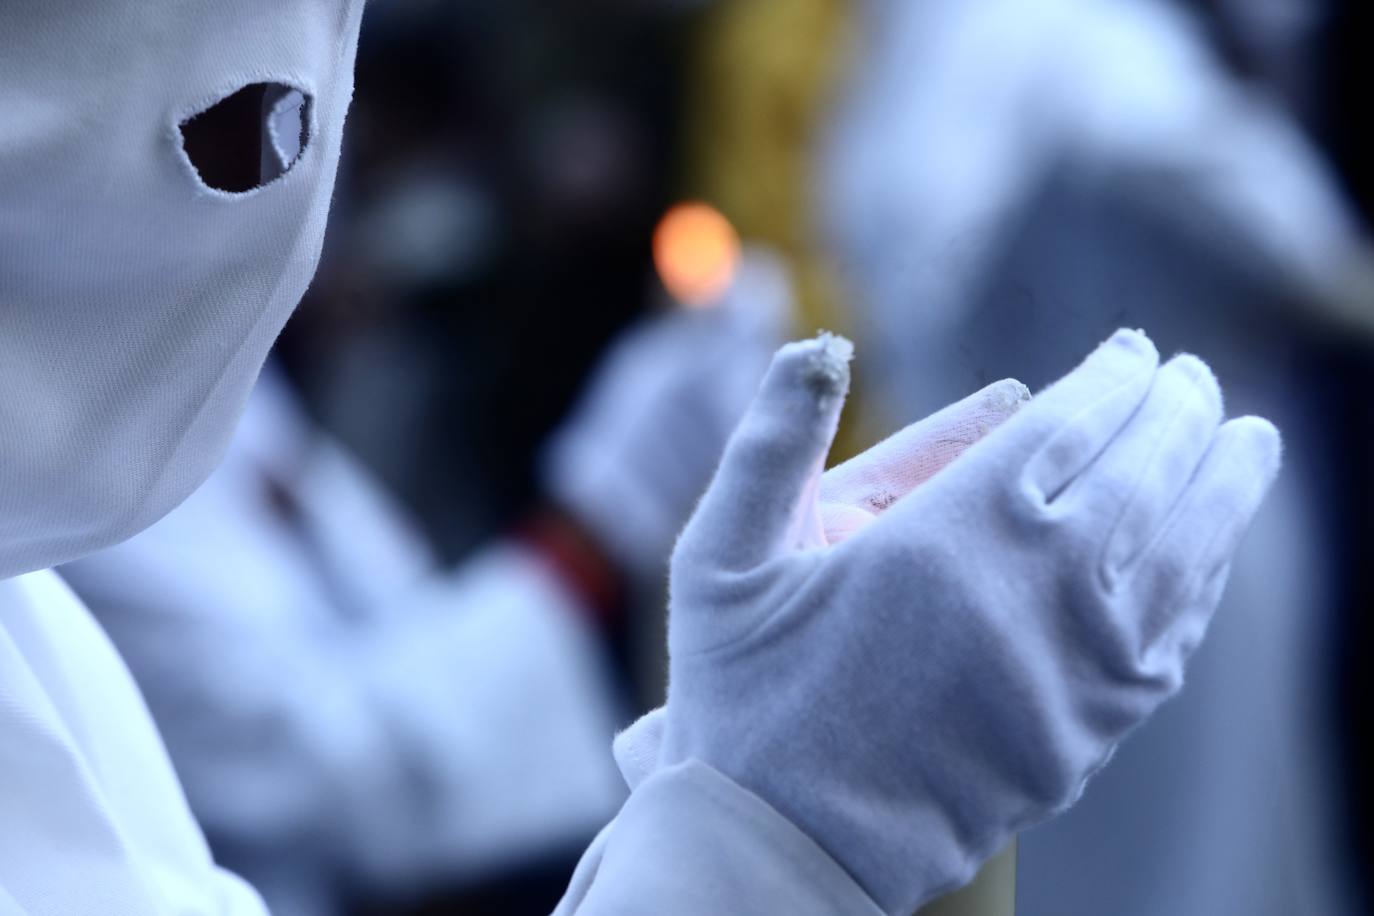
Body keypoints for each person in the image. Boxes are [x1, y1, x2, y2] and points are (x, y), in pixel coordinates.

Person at [1, 3, 1281, 914]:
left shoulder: (37, 598)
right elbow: (335, 765)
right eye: (250, 126)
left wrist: (734, 753)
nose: (310, 206)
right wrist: (776, 831)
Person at [819, 0, 1368, 912]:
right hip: (1185, 506)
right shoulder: (1073, 32)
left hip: (1025, 526)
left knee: (1108, 849)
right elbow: (1253, 204)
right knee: (1202, 855)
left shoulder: (918, 51)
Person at [57, 251, 792, 916]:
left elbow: (403, 614)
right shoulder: (53, 434)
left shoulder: (197, 361)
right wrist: (599, 518)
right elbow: (326, 775)